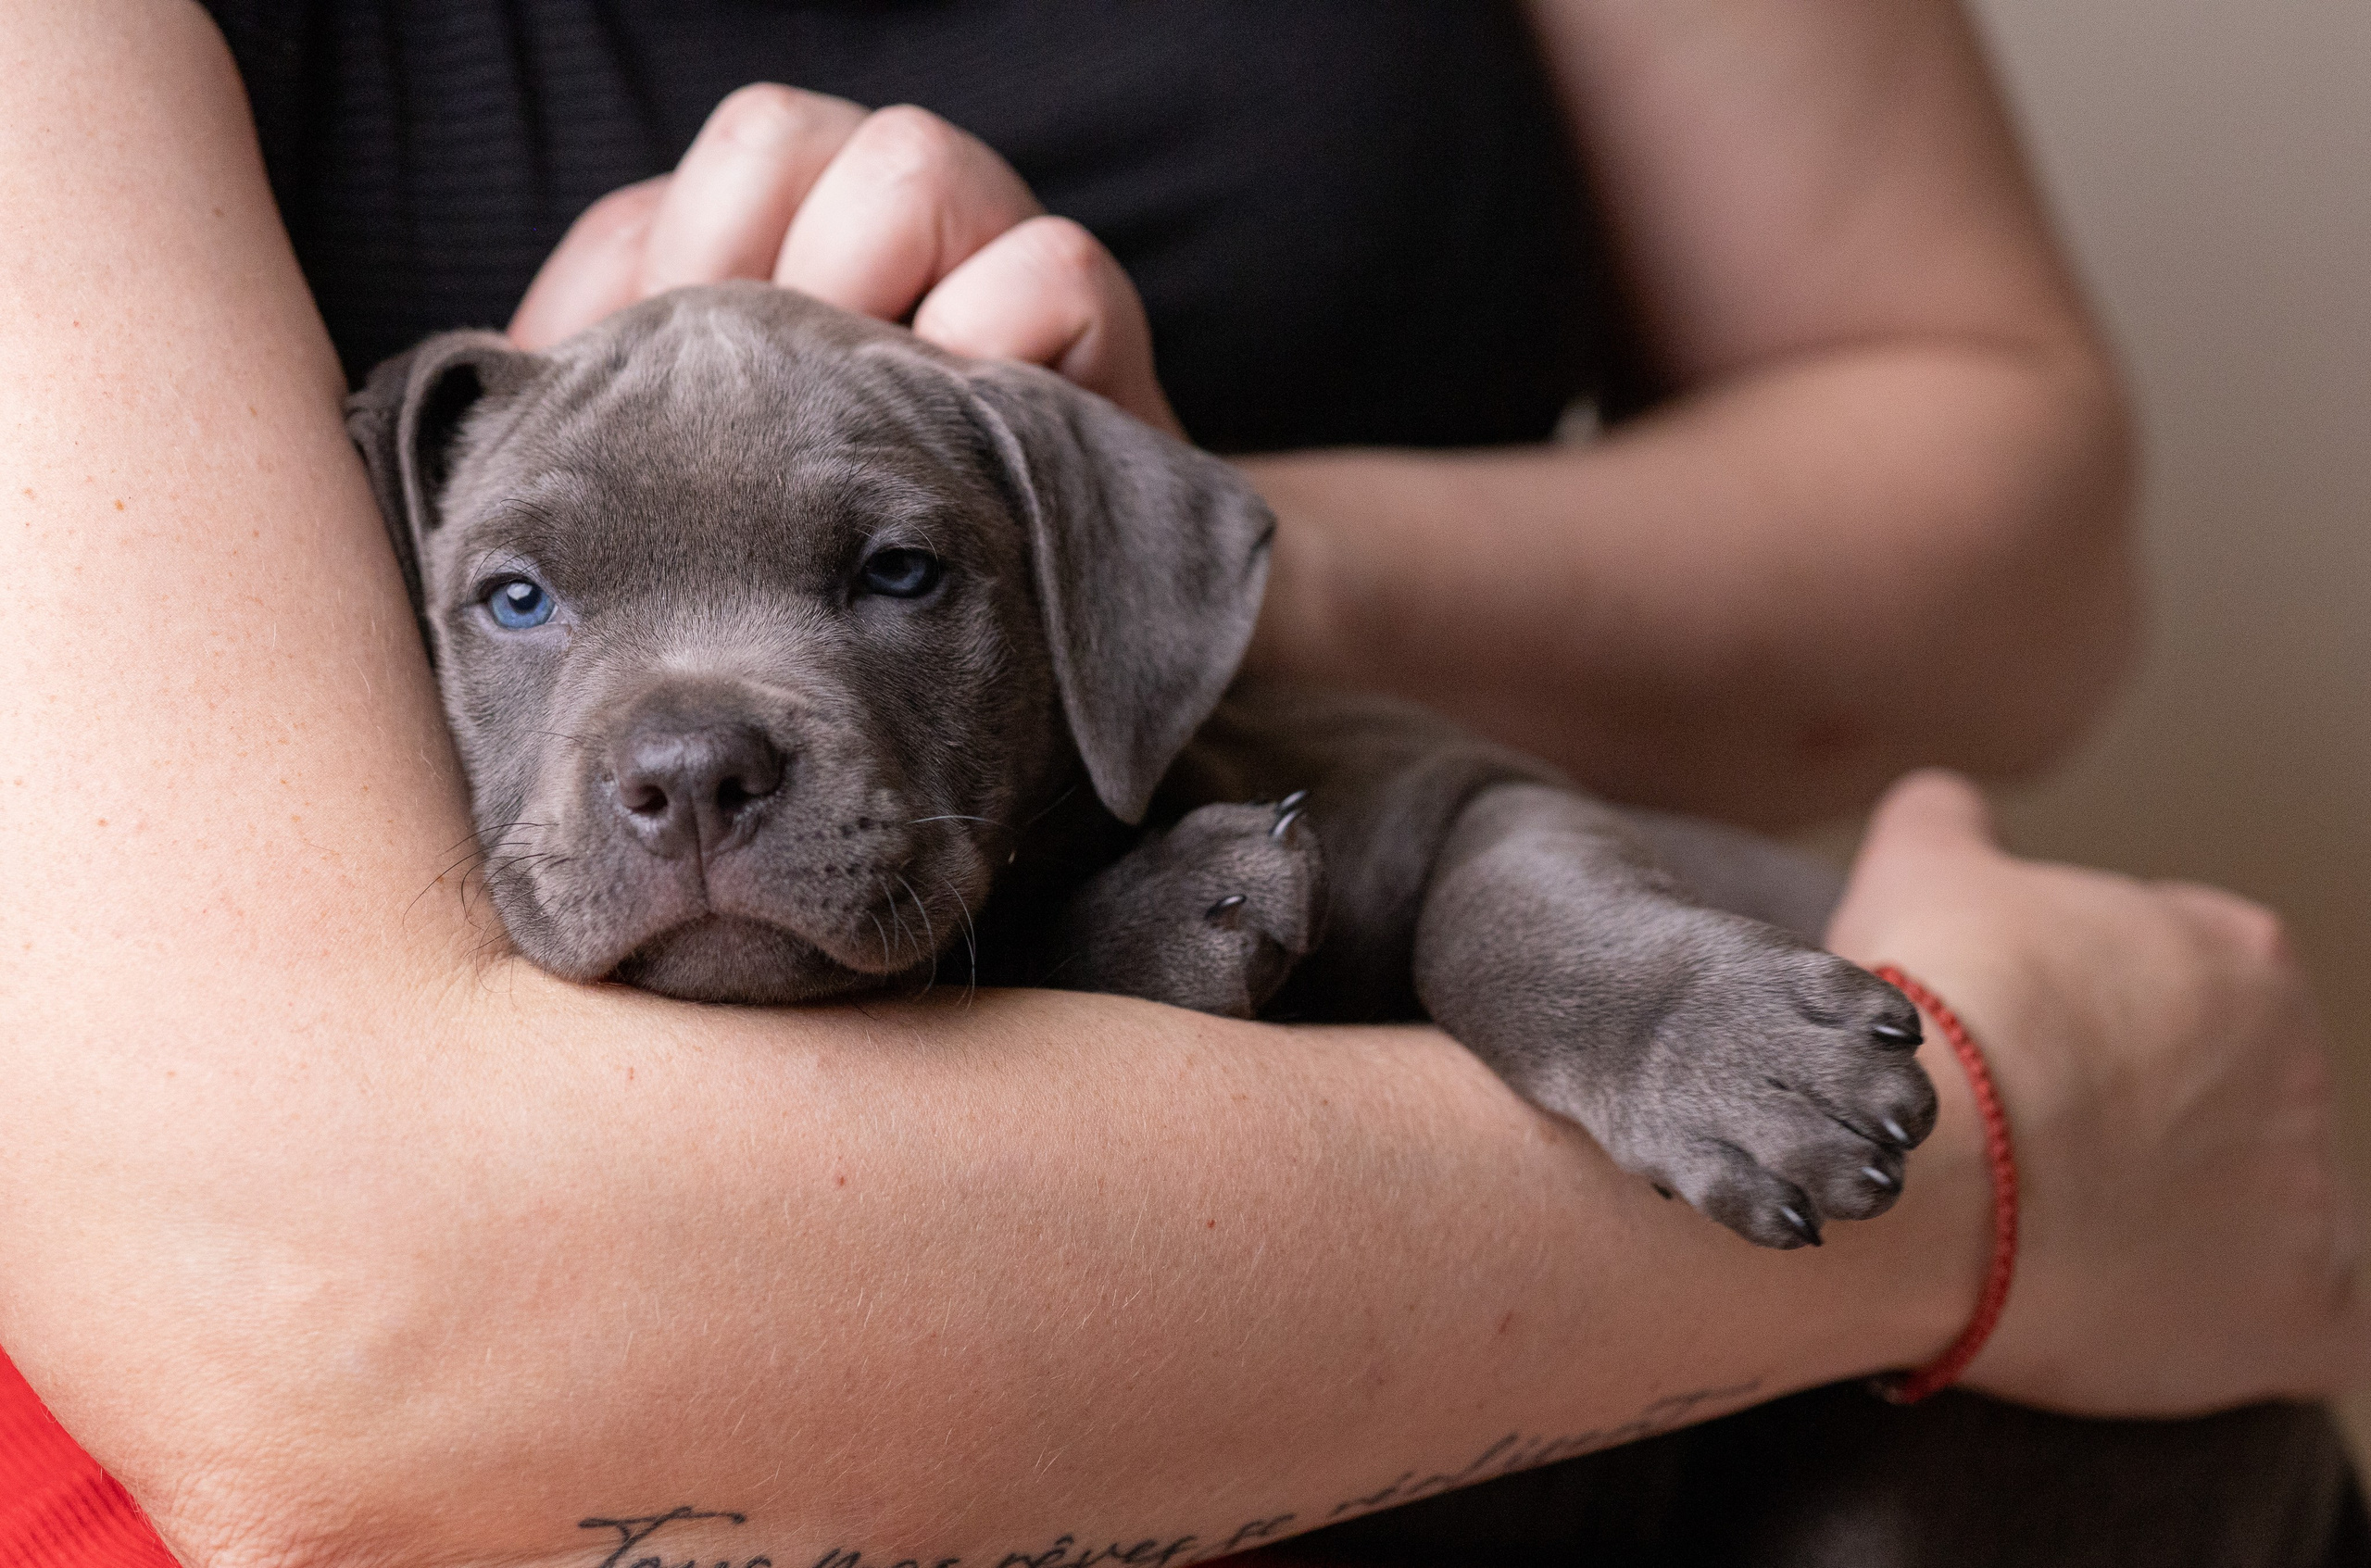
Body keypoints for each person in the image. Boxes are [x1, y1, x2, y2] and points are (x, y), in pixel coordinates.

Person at [0, 2, 2359, 1564]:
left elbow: (1998, 498)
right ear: (395, 548)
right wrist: (2004, 1179)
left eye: (894, 570)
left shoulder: (1217, 736)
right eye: (523, 604)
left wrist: (1223, 550)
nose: (694, 738)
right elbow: (349, 1327)